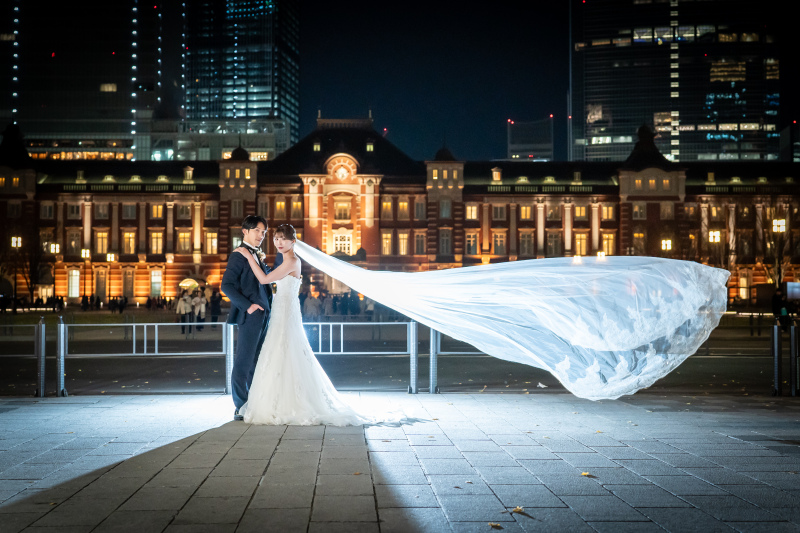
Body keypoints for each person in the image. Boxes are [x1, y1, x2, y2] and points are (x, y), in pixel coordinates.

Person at [236, 224, 382, 426]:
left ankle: (287, 401)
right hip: (283, 310)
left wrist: (248, 256)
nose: (278, 242)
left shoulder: (292, 261)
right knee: (279, 351)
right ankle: (279, 398)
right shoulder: (288, 261)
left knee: (284, 349)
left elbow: (264, 279)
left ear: (292, 242)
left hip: (286, 313)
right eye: (276, 238)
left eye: (283, 239)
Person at [221, 215, 273, 422]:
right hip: (251, 315)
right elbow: (226, 285)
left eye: (264, 232)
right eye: (258, 231)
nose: (261, 235)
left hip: (264, 315)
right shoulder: (238, 255)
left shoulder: (256, 254)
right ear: (245, 231)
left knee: (255, 361)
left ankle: (251, 401)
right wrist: (248, 306)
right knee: (243, 361)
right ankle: (240, 405)